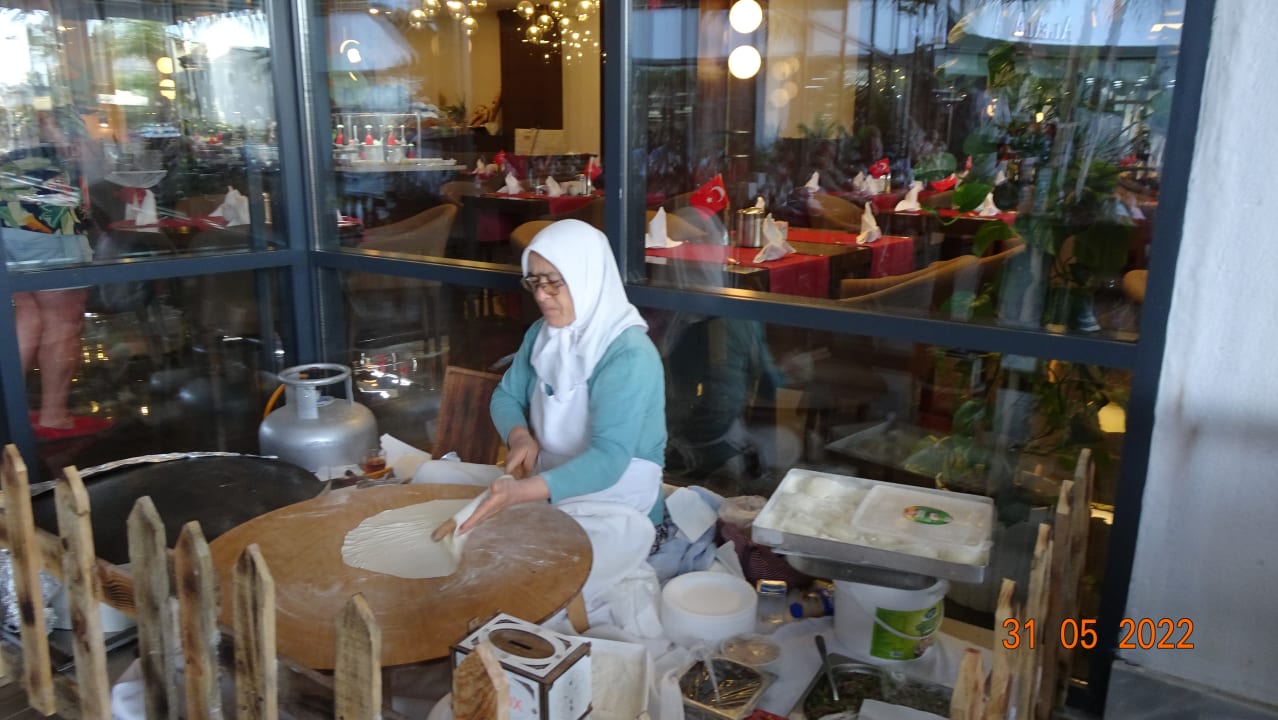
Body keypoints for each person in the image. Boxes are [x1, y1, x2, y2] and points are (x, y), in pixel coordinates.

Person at [458, 219, 667, 618]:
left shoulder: (628, 354)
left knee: (536, 587)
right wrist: (519, 436)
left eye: (555, 282)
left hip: (621, 506)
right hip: (553, 486)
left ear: (587, 276)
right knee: (485, 552)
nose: (542, 295)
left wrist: (523, 493)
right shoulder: (543, 335)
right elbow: (506, 395)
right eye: (534, 281)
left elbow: (608, 460)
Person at [2, 108, 110, 440]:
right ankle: (54, 416)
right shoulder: (57, 109)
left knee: (28, 310)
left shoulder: (12, 109)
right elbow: (88, 163)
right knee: (64, 317)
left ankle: (11, 413)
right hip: (48, 219)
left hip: (7, 218)